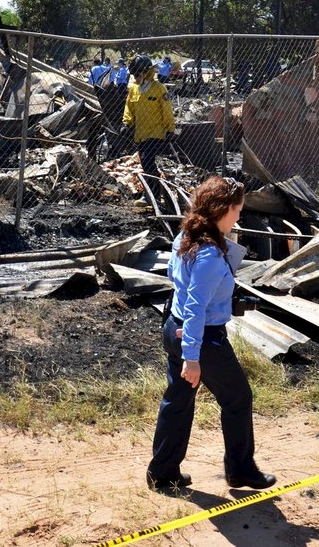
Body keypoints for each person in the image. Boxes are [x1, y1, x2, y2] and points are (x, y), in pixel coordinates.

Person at [147, 175, 277, 492]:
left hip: (173, 327)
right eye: (237, 211)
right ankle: (241, 470)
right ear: (223, 210)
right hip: (201, 338)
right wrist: (192, 357)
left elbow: (180, 285)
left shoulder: (186, 237)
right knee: (237, 398)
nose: (239, 217)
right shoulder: (208, 254)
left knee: (177, 401)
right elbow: (196, 307)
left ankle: (162, 473)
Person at [123, 54, 175, 188]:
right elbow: (129, 107)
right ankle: (156, 190)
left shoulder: (159, 89)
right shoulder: (134, 89)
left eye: (138, 74)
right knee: (145, 162)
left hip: (156, 132)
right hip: (140, 133)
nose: (135, 77)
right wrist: (127, 122)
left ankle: (154, 192)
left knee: (147, 160)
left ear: (146, 72)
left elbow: (167, 110)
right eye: (134, 75)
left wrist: (170, 129)